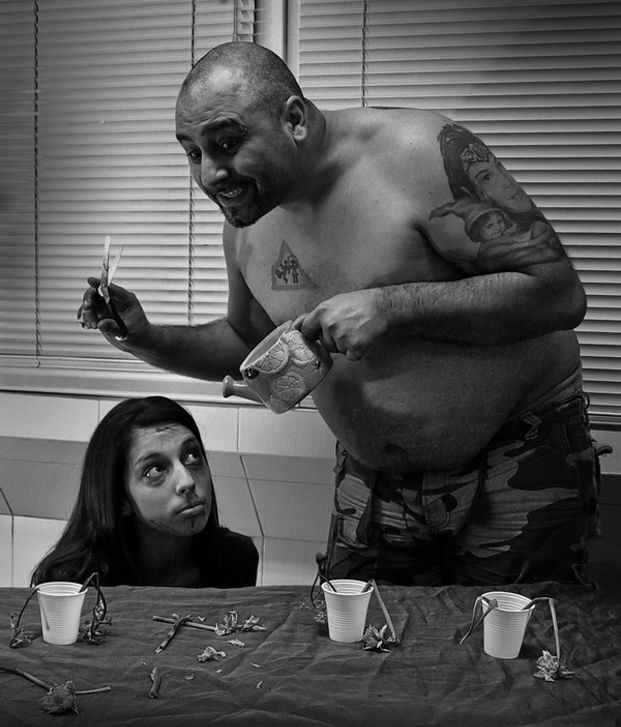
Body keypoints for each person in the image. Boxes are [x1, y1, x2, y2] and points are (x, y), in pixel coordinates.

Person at [79, 41, 606, 587]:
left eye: (228, 143)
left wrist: (393, 308)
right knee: (357, 639)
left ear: (294, 120)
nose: (211, 174)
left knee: (512, 641)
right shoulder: (247, 222)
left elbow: (557, 294)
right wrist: (145, 337)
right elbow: (247, 341)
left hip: (515, 461)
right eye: (193, 153)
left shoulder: (418, 154)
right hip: (375, 486)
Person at [31, 396, 258, 588]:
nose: (187, 482)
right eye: (155, 470)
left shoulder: (235, 559)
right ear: (120, 498)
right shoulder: (73, 580)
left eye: (192, 456)